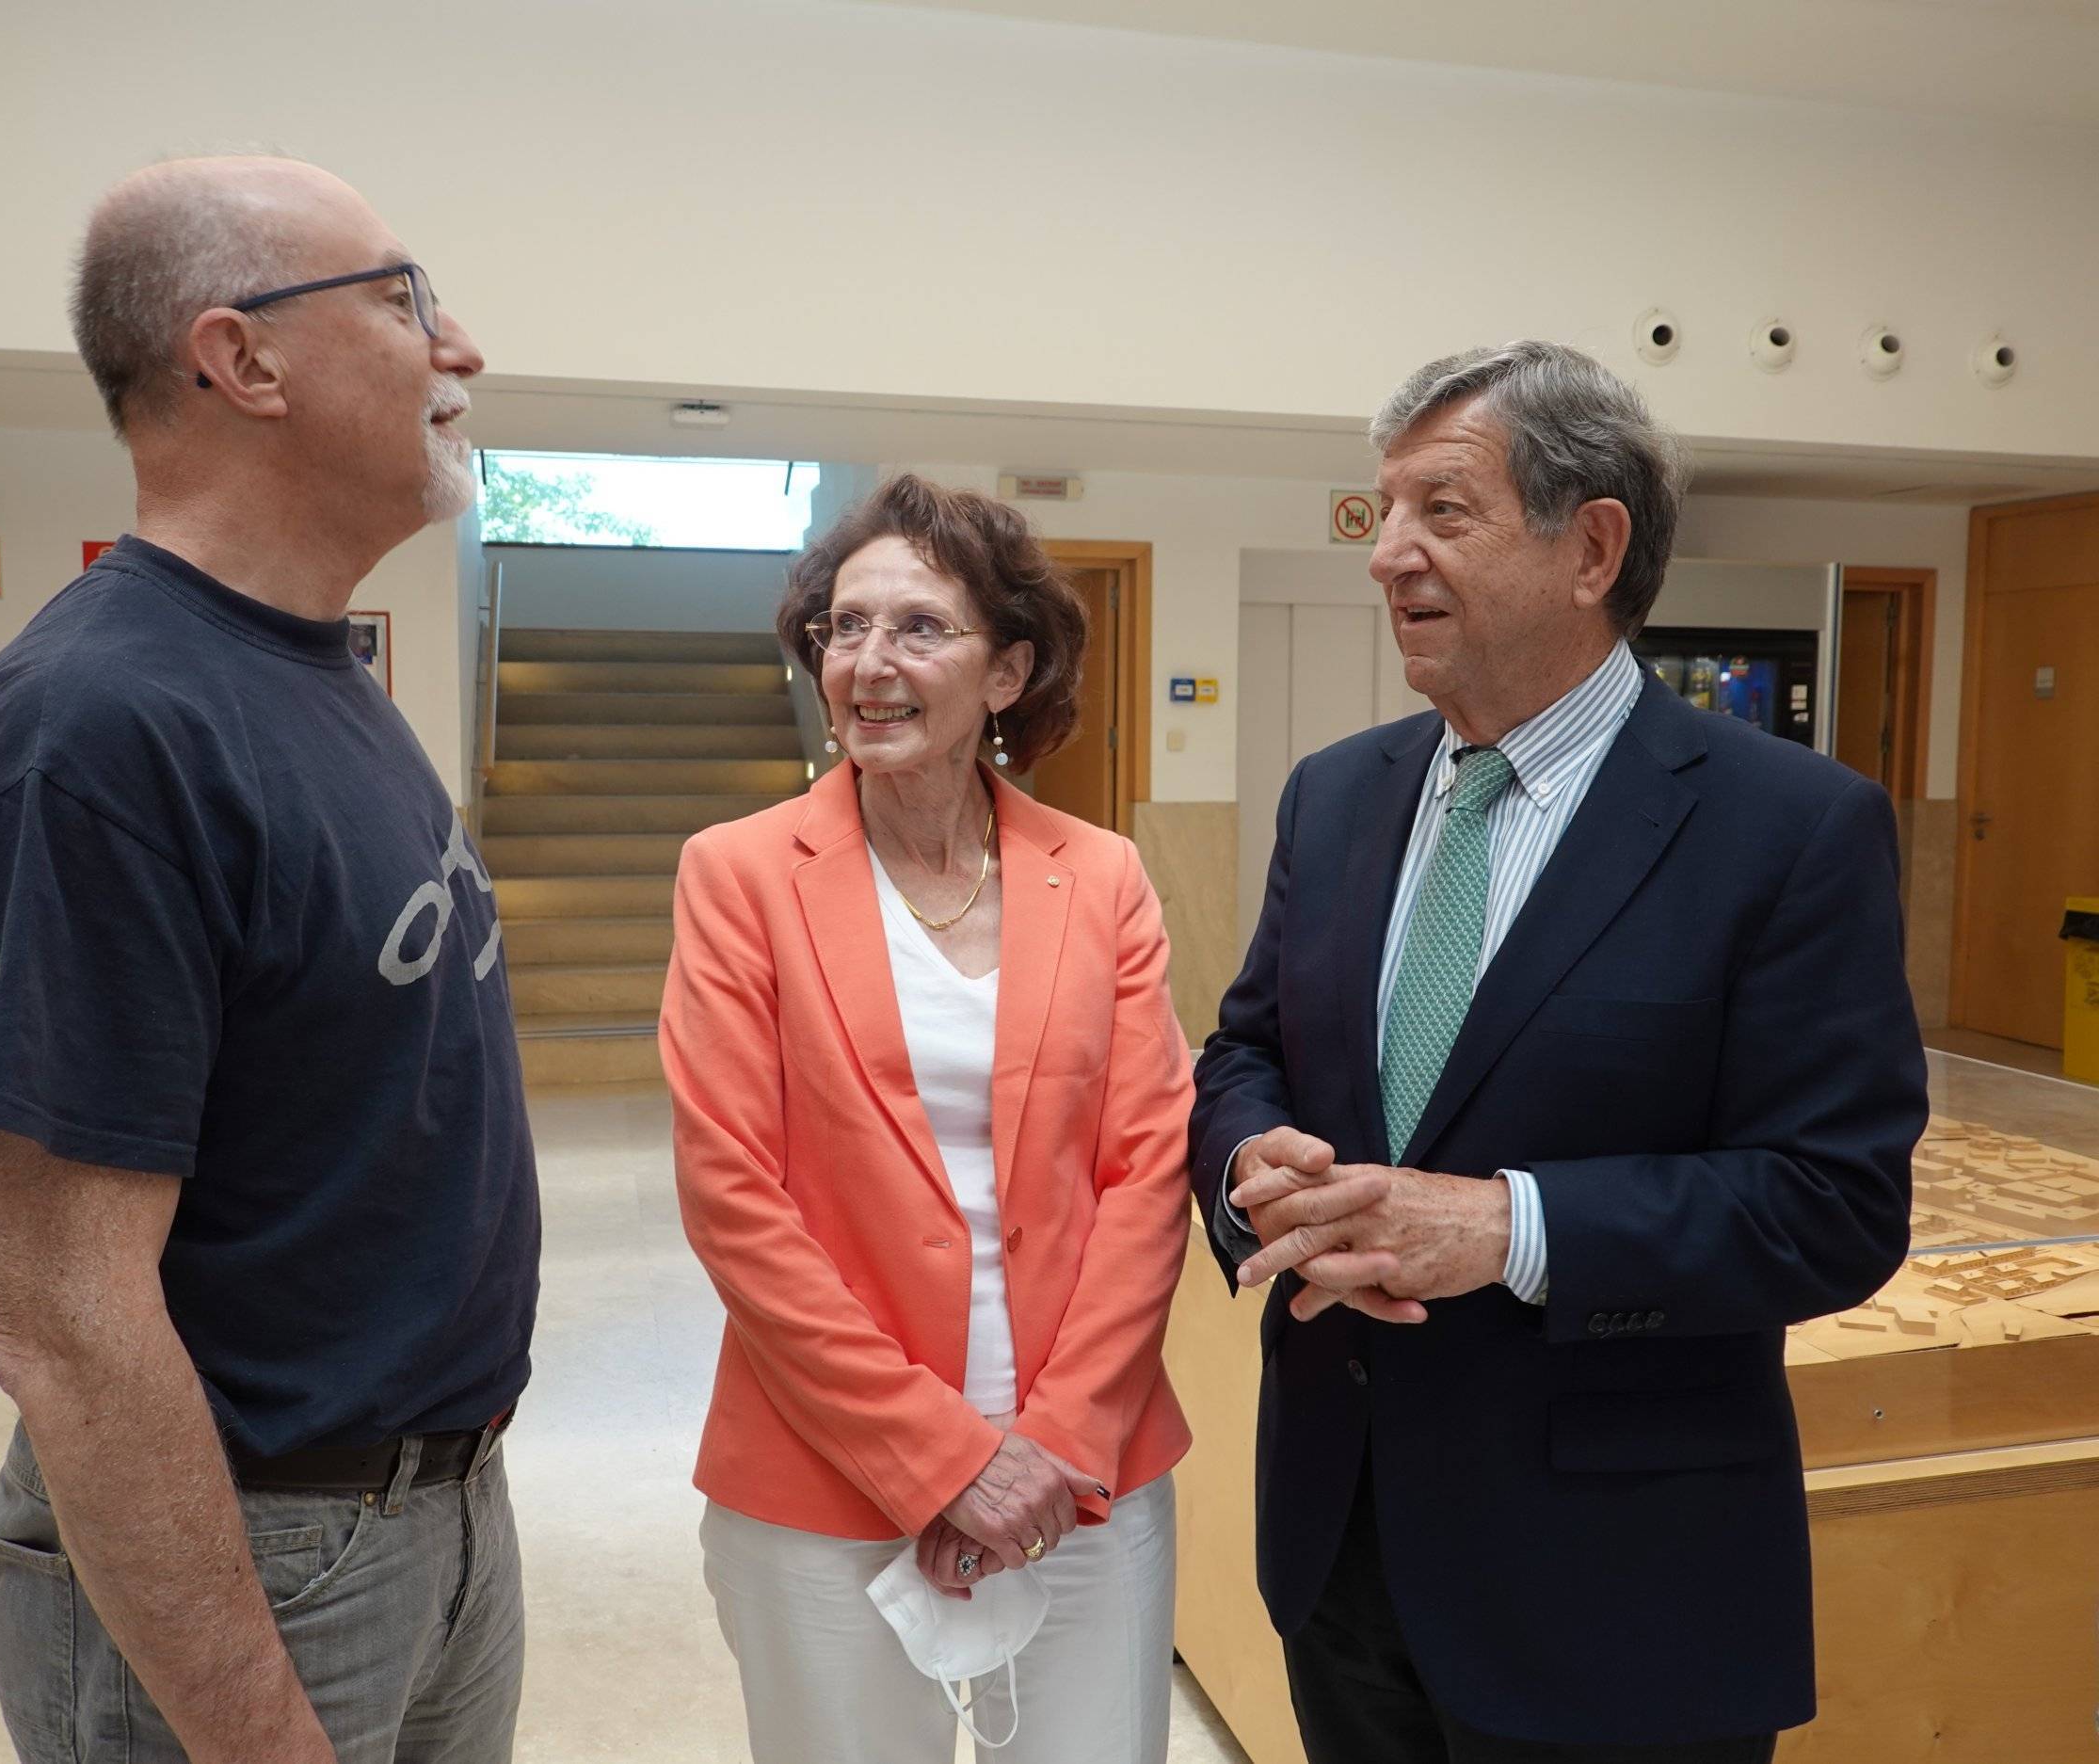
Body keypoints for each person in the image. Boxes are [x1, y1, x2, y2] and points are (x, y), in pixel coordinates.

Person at [1190, 342, 1926, 1764]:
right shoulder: (1338, 797)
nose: (1385, 550)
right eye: (1380, 509)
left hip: (1619, 1594)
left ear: (1592, 547)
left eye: (1441, 510)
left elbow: (1834, 1202)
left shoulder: (1790, 830)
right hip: (1340, 1552)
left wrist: (1506, 1225)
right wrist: (1246, 1158)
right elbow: (1245, 1052)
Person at [0, 157, 538, 1764]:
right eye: (404, 299)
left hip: (441, 1514)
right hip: (255, 1553)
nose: (457, 344)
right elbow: (69, 1320)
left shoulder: (321, 676)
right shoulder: (92, 733)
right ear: (241, 359)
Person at [662, 473, 1194, 1763]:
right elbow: (738, 1202)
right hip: (822, 1463)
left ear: (1006, 671)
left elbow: (1147, 1168)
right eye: (844, 628)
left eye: (919, 628)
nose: (869, 662)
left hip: (1086, 1466)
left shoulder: (1102, 876)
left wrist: (1051, 1446)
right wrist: (942, 1457)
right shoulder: (737, 876)